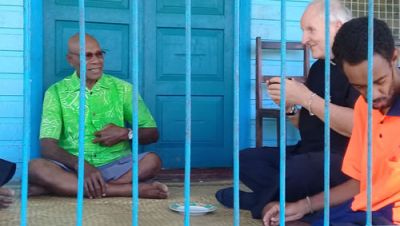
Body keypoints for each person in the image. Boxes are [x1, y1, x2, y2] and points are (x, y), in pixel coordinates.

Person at [215, 0, 359, 219]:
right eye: (303, 30)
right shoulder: (318, 67)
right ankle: (288, 199)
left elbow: (357, 126)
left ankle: (258, 202)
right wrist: (290, 107)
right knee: (245, 159)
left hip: (341, 161)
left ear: (337, 26)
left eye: (311, 29)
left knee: (297, 170)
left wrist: (305, 96)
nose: (304, 39)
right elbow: (308, 125)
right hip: (306, 152)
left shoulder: (360, 68)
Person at [263, 17, 400, 226]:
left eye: (379, 81)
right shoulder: (364, 107)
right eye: (361, 87)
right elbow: (358, 183)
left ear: (394, 58)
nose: (373, 95)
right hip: (363, 208)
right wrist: (303, 205)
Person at [28, 33, 169, 199]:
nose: (97, 61)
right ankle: (126, 190)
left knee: (153, 161)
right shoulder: (56, 92)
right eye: (87, 56)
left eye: (99, 54)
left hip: (117, 165)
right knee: (35, 167)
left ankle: (67, 188)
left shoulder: (123, 89)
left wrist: (126, 133)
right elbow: (47, 146)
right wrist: (81, 165)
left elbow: (152, 133)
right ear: (70, 60)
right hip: (73, 169)